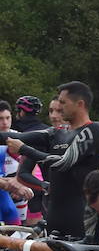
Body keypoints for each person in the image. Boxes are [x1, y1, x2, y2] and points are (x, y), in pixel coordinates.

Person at [1, 81, 99, 239]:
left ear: (80, 104)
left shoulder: (93, 130)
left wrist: (23, 149)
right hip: (55, 213)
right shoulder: (56, 133)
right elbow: (15, 137)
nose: (60, 108)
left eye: (63, 103)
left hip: (82, 214)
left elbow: (64, 163)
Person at [11, 96, 46, 224]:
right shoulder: (47, 130)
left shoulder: (18, 133)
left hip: (25, 182)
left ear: (21, 112)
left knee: (26, 229)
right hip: (45, 183)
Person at [0, 101, 32, 225]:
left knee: (18, 230)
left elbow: (33, 164)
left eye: (8, 118)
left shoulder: (19, 137)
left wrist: (22, 183)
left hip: (18, 190)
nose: (5, 122)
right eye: (1, 118)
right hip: (5, 188)